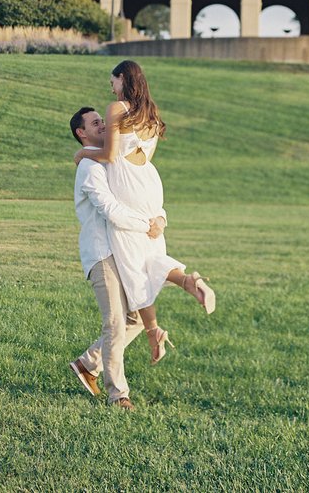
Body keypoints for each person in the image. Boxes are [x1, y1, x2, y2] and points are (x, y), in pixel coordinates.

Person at [74, 59, 215, 365]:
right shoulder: (151, 113)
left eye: (112, 82)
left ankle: (168, 309)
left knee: (135, 267)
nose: (111, 89)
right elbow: (142, 157)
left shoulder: (117, 109)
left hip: (128, 190)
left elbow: (110, 154)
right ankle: (182, 291)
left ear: (123, 78)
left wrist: (82, 152)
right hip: (149, 185)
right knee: (149, 258)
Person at [69, 105, 165, 411]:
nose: (103, 125)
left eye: (102, 120)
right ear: (81, 133)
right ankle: (118, 394)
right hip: (102, 254)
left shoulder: (110, 162)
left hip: (124, 249)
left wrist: (160, 218)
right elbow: (110, 210)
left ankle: (89, 363)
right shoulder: (89, 167)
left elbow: (139, 194)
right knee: (114, 322)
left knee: (134, 317)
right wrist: (146, 225)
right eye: (95, 123)